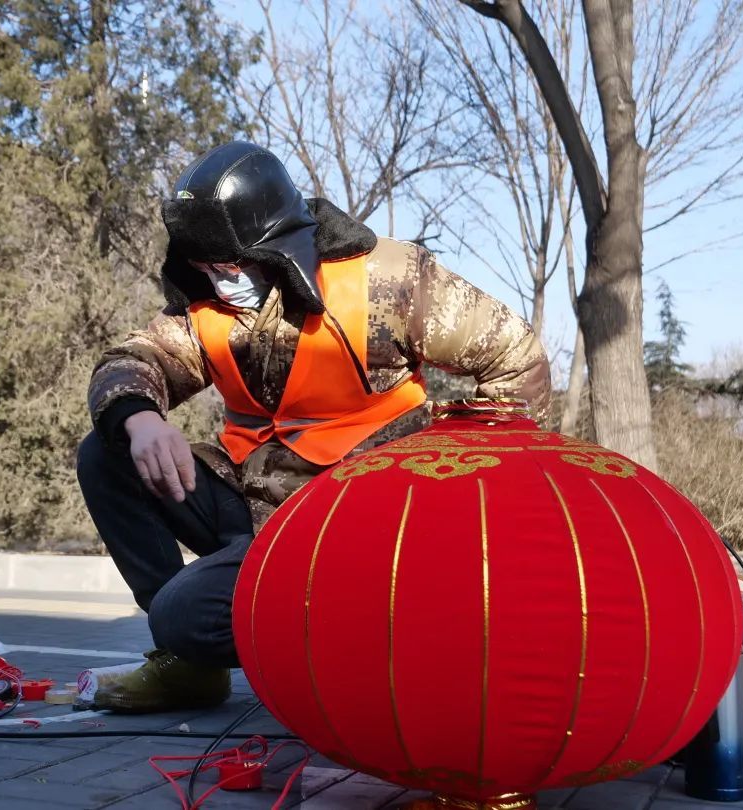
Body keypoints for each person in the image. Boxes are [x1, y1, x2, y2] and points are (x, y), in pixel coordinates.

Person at [77, 141, 551, 713]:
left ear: (278, 245)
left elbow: (516, 357)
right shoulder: (204, 303)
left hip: (363, 519)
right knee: (107, 453)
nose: (220, 282)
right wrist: (141, 418)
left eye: (230, 267)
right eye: (206, 269)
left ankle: (367, 655)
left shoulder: (389, 280)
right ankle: (189, 669)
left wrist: (475, 498)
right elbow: (135, 359)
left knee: (185, 614)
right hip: (258, 505)